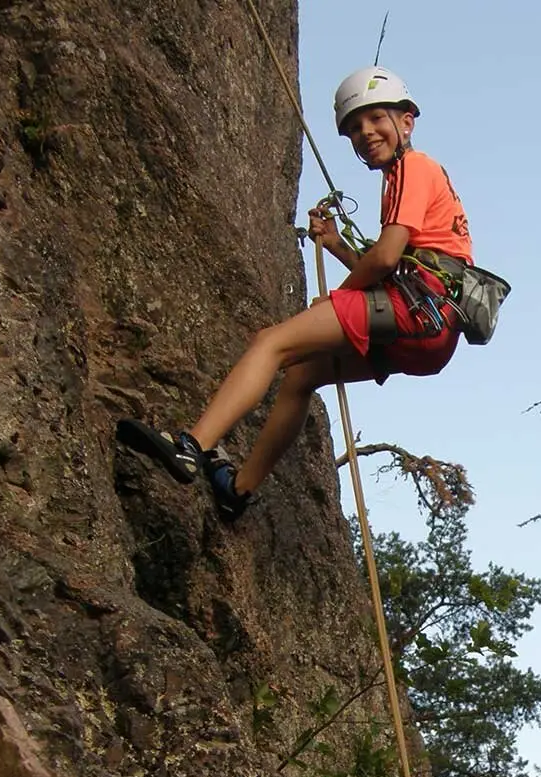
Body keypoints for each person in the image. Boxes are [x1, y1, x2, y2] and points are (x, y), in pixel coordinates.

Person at [116, 66, 473, 522]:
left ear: (407, 121)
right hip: (431, 330)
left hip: (416, 310)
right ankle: (238, 490)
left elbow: (385, 260)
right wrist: (338, 245)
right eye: (354, 130)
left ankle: (190, 445)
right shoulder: (407, 179)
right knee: (301, 376)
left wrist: (338, 297)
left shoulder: (413, 168)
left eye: (376, 120)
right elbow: (397, 264)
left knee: (271, 343)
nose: (365, 134)